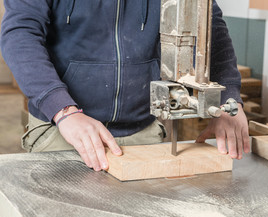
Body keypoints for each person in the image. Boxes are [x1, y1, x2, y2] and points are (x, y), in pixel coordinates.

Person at [1, 0, 250, 172]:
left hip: (142, 131)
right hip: (63, 131)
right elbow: (20, 33)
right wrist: (61, 109)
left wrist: (229, 98)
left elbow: (210, 26)